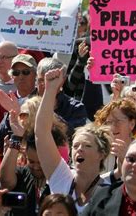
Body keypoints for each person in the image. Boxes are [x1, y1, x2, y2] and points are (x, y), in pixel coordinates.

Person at [35, 68, 112, 213]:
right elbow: (41, 132)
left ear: (102, 154)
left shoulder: (111, 191)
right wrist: (50, 90)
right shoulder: (62, 177)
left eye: (87, 145)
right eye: (75, 145)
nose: (79, 149)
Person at [93, 98, 136, 182]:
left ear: (132, 124)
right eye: (108, 122)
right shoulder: (99, 149)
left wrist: (126, 160)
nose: (112, 127)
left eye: (118, 121)